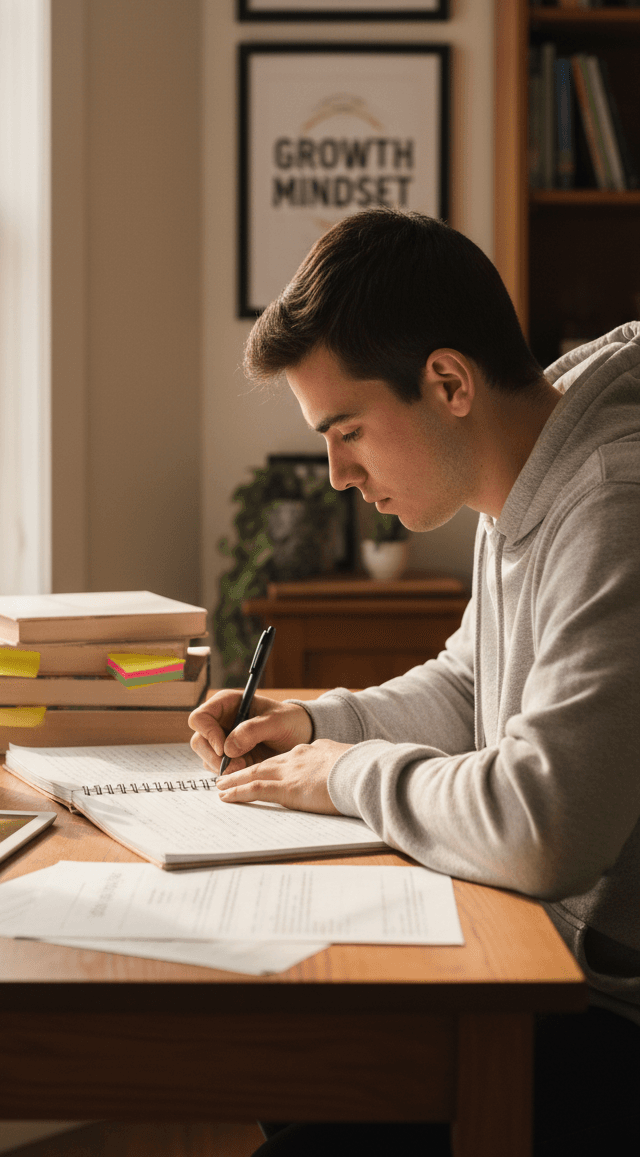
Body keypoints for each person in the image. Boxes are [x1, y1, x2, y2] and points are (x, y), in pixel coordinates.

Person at [189, 209, 640, 1155]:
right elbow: (476, 684)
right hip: (550, 962)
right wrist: (311, 723)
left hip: (610, 1018)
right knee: (296, 1057)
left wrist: (344, 771)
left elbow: (545, 826)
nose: (337, 473)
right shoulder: (525, 471)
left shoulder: (613, 501)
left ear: (447, 382)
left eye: (346, 430)